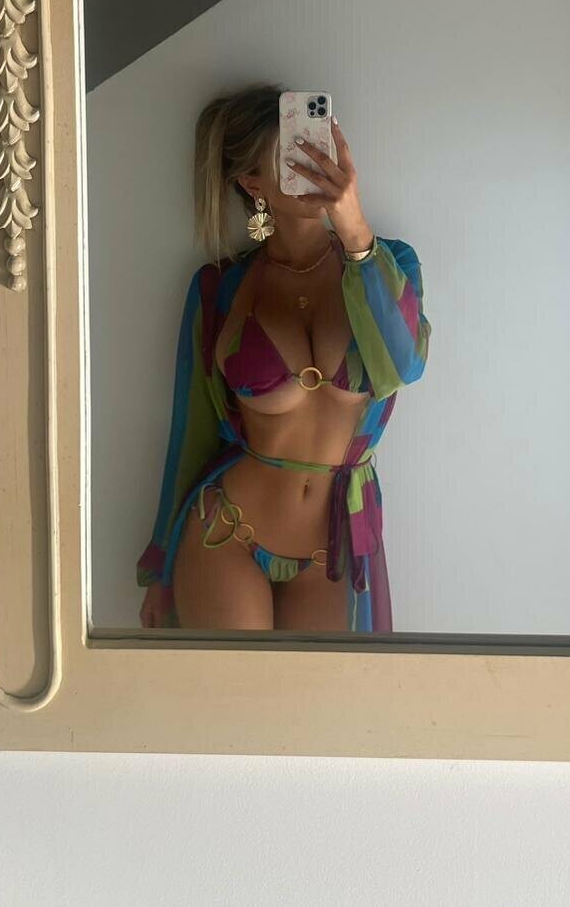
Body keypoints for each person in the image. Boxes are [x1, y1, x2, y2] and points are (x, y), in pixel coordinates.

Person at [137, 83, 430, 633]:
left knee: (325, 692)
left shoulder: (390, 265)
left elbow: (404, 365)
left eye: (316, 146)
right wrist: (159, 566)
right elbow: (189, 430)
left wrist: (354, 230)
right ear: (252, 184)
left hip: (332, 549)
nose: (311, 164)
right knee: (232, 690)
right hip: (226, 532)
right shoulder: (219, 288)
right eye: (290, 155)